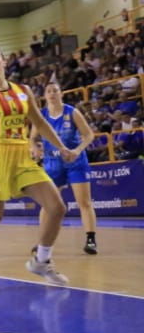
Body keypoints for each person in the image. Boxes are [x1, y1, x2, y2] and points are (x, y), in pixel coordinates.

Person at [0, 47, 75, 292]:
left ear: (4, 62)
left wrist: (61, 147)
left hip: (22, 154)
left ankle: (41, 260)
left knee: (56, 207)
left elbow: (40, 122)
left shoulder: (23, 91)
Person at [35, 81, 99, 254]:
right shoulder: (41, 116)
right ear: (45, 96)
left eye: (55, 90)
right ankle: (43, 241)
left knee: (84, 202)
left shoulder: (72, 112)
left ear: (61, 93)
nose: (52, 93)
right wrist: (35, 149)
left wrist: (77, 151)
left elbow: (89, 135)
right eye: (49, 91)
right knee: (48, 205)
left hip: (75, 161)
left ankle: (91, 240)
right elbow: (32, 139)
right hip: (52, 163)